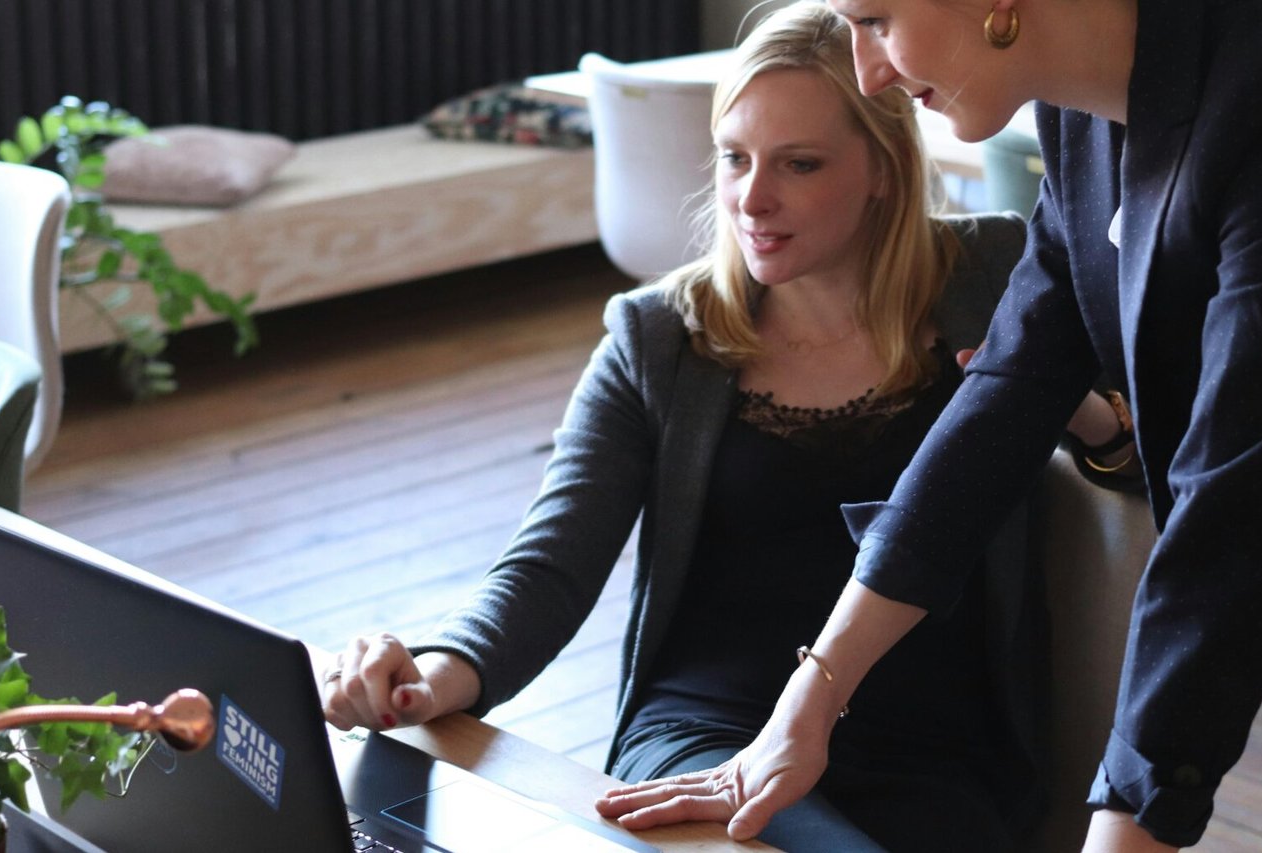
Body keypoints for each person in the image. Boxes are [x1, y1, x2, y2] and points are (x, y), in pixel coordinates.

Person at [595, 0, 1262, 851]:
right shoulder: (1087, 116)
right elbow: (1006, 392)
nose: (867, 70)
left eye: (875, 19)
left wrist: (1130, 815)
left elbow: (1241, 509)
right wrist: (805, 705)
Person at [322, 3, 1132, 848]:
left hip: (939, 753)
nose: (754, 198)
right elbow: (548, 565)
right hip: (707, 733)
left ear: (884, 168)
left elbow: (1148, 470)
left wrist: (1068, 409)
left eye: (800, 164)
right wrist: (431, 674)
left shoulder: (997, 273)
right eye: (734, 158)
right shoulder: (659, 338)